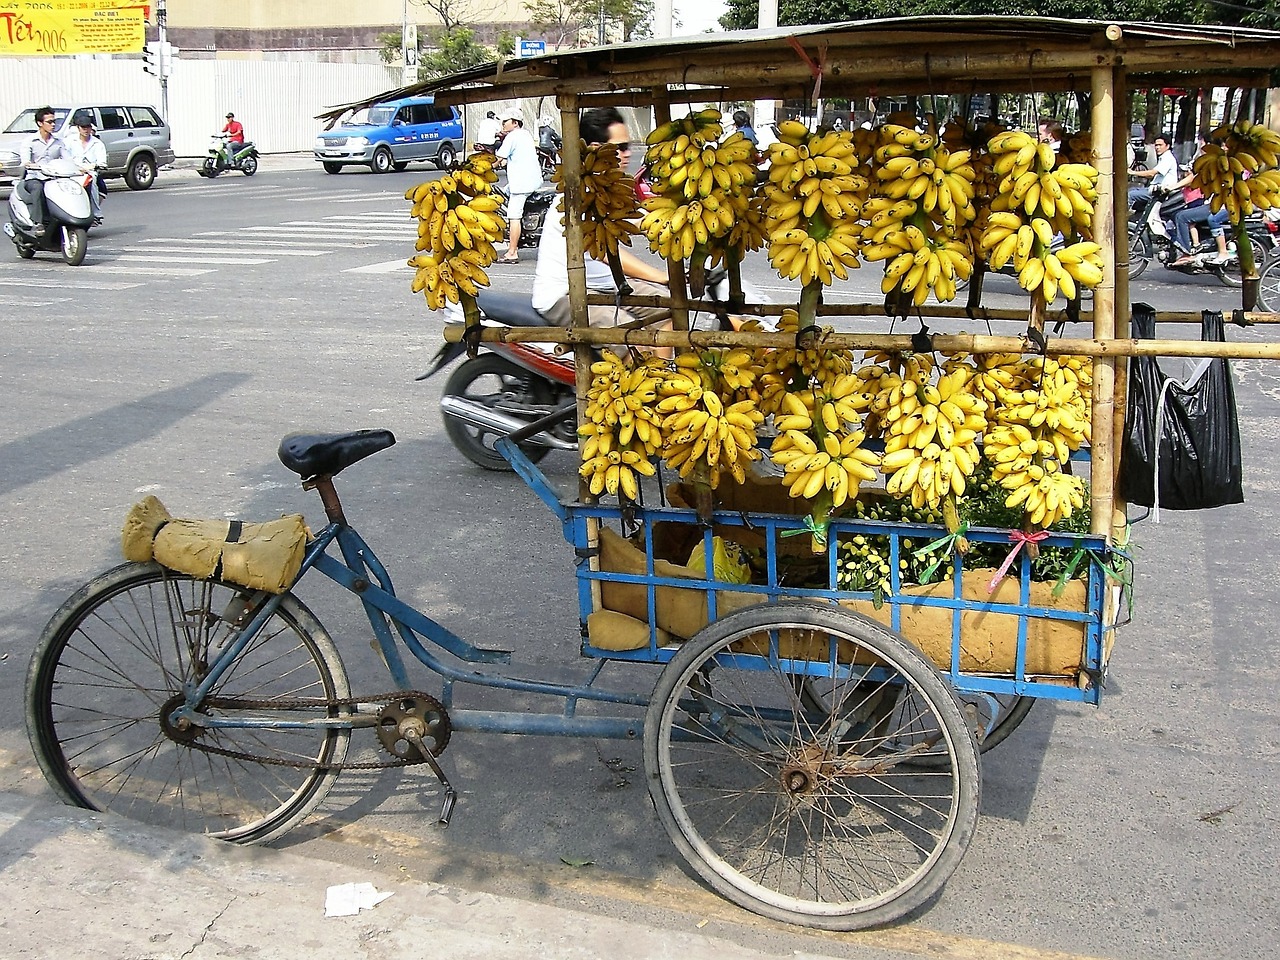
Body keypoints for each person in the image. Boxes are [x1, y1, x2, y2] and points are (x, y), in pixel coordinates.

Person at [532, 106, 671, 337]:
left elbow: (641, 221)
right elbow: (605, 251)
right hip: (563, 295)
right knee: (629, 334)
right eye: (621, 147)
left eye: (629, 146)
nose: (628, 154)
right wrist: (661, 276)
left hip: (606, 286)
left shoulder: (611, 191)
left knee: (668, 308)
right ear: (597, 149)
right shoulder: (575, 198)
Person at [494, 112, 542, 263]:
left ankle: (512, 252)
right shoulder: (525, 134)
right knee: (505, 191)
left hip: (522, 183)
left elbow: (498, 158)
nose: (503, 124)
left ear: (515, 123)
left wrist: (487, 166)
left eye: (505, 121)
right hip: (532, 180)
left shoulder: (512, 136)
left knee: (513, 215)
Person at [19, 105, 63, 236]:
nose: (53, 124)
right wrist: (32, 165)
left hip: (54, 177)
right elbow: (25, 161)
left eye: (54, 121)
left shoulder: (59, 141)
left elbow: (68, 159)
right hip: (35, 177)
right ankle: (38, 223)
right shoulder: (30, 141)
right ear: (40, 123)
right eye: (49, 122)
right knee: (38, 188)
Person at [62, 111, 107, 225]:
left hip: (89, 172)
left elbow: (102, 162)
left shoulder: (97, 144)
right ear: (78, 128)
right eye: (83, 127)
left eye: (88, 127)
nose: (86, 130)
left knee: (92, 182)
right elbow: (63, 156)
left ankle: (95, 213)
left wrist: (92, 167)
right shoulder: (69, 141)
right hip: (71, 172)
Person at [1129, 132, 1179, 226]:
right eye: (1156, 145)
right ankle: (1137, 219)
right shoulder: (1163, 158)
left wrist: (1133, 172)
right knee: (1133, 190)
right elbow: (1151, 175)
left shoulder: (1168, 158)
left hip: (1160, 193)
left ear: (1167, 146)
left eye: (1160, 145)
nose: (1157, 147)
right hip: (1154, 190)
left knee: (1130, 195)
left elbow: (1152, 173)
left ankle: (1121, 218)